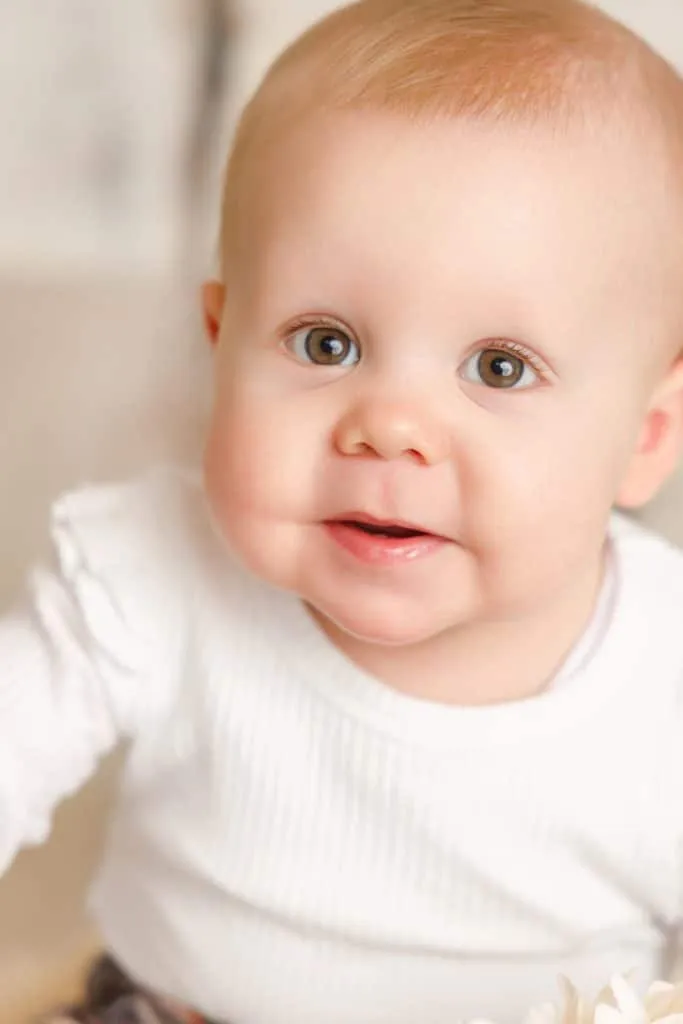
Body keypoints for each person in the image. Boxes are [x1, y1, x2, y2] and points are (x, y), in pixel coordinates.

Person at [3, 1, 683, 1021]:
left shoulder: (660, 681)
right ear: (219, 342)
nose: (390, 428)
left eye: (498, 367)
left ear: (644, 436)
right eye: (325, 343)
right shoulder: (149, 571)